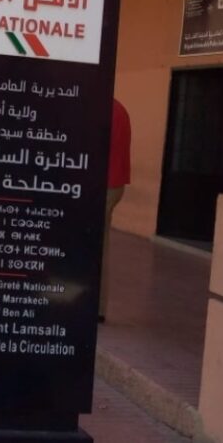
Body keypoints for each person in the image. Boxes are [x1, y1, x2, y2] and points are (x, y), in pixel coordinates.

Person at [100, 97, 131, 323]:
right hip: (114, 183)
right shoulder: (118, 108)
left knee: (93, 246)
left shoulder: (98, 107)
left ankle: (95, 305)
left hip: (102, 183)